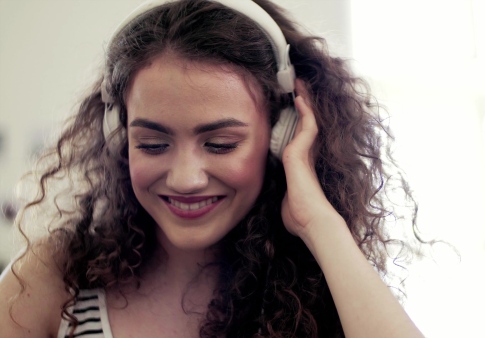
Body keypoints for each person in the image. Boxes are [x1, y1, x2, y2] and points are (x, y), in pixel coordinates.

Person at [0, 0, 424, 337]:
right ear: (118, 136)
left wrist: (318, 223)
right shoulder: (58, 277)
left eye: (220, 144)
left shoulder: (324, 292)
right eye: (152, 143)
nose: (185, 178)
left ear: (281, 134)